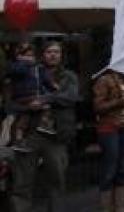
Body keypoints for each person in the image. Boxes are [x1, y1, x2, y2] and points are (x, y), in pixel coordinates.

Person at [11, 41, 80, 212]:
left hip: (56, 135)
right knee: (22, 182)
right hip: (28, 133)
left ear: (61, 55)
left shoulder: (68, 76)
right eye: (49, 51)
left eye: (57, 52)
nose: (53, 55)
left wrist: (44, 99)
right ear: (43, 54)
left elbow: (70, 97)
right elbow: (10, 104)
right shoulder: (25, 71)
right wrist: (29, 106)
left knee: (56, 181)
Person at [93, 70, 124, 212]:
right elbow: (98, 107)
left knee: (122, 169)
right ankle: (106, 208)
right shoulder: (104, 80)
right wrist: (121, 100)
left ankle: (120, 207)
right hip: (109, 128)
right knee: (109, 170)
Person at [6, 42, 57, 151]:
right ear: (19, 56)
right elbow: (16, 71)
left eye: (31, 56)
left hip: (33, 95)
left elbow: (45, 79)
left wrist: (53, 86)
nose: (29, 58)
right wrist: (24, 62)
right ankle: (44, 123)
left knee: (25, 118)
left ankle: (19, 141)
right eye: (26, 55)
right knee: (45, 104)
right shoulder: (17, 66)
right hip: (23, 96)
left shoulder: (38, 68)